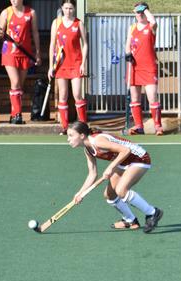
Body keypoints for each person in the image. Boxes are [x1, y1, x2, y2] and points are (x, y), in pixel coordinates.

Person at [66, 121, 163, 233]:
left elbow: (126, 150)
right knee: (109, 194)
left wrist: (111, 167)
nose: (68, 139)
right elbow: (92, 173)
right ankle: (130, 220)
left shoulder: (98, 141)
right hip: (123, 161)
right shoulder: (87, 150)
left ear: (82, 135)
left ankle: (152, 212)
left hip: (139, 158)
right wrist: (80, 193)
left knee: (121, 190)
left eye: (71, 135)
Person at [0, 0, 42, 124]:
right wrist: (0, 33)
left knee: (19, 86)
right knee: (15, 82)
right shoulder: (6, 12)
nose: (14, 0)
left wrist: (37, 53)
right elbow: (0, 33)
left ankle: (13, 115)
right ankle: (18, 115)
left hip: (25, 52)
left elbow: (35, 33)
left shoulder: (31, 12)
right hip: (9, 52)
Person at [48, 0, 88, 134]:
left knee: (77, 94)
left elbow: (85, 44)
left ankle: (83, 125)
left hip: (76, 63)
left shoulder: (79, 23)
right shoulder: (56, 22)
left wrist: (83, 63)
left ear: (74, 9)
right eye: (66, 8)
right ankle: (64, 127)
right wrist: (50, 66)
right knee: (63, 95)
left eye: (71, 8)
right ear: (62, 8)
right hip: (61, 64)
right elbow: (52, 45)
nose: (68, 11)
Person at [124, 2, 163, 136]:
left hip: (148, 66)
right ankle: (139, 126)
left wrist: (145, 10)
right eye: (137, 12)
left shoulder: (151, 27)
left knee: (152, 96)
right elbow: (127, 44)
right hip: (134, 66)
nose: (139, 15)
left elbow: (153, 21)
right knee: (135, 98)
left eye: (142, 12)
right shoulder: (132, 27)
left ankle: (158, 126)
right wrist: (128, 54)